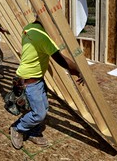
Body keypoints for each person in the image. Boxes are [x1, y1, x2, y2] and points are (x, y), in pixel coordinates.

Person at [10, 18, 83, 149]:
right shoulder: (43, 37)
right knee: (39, 114)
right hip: (29, 82)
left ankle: (33, 133)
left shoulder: (28, 27)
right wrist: (78, 71)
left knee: (44, 107)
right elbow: (62, 61)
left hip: (35, 79)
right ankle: (18, 128)